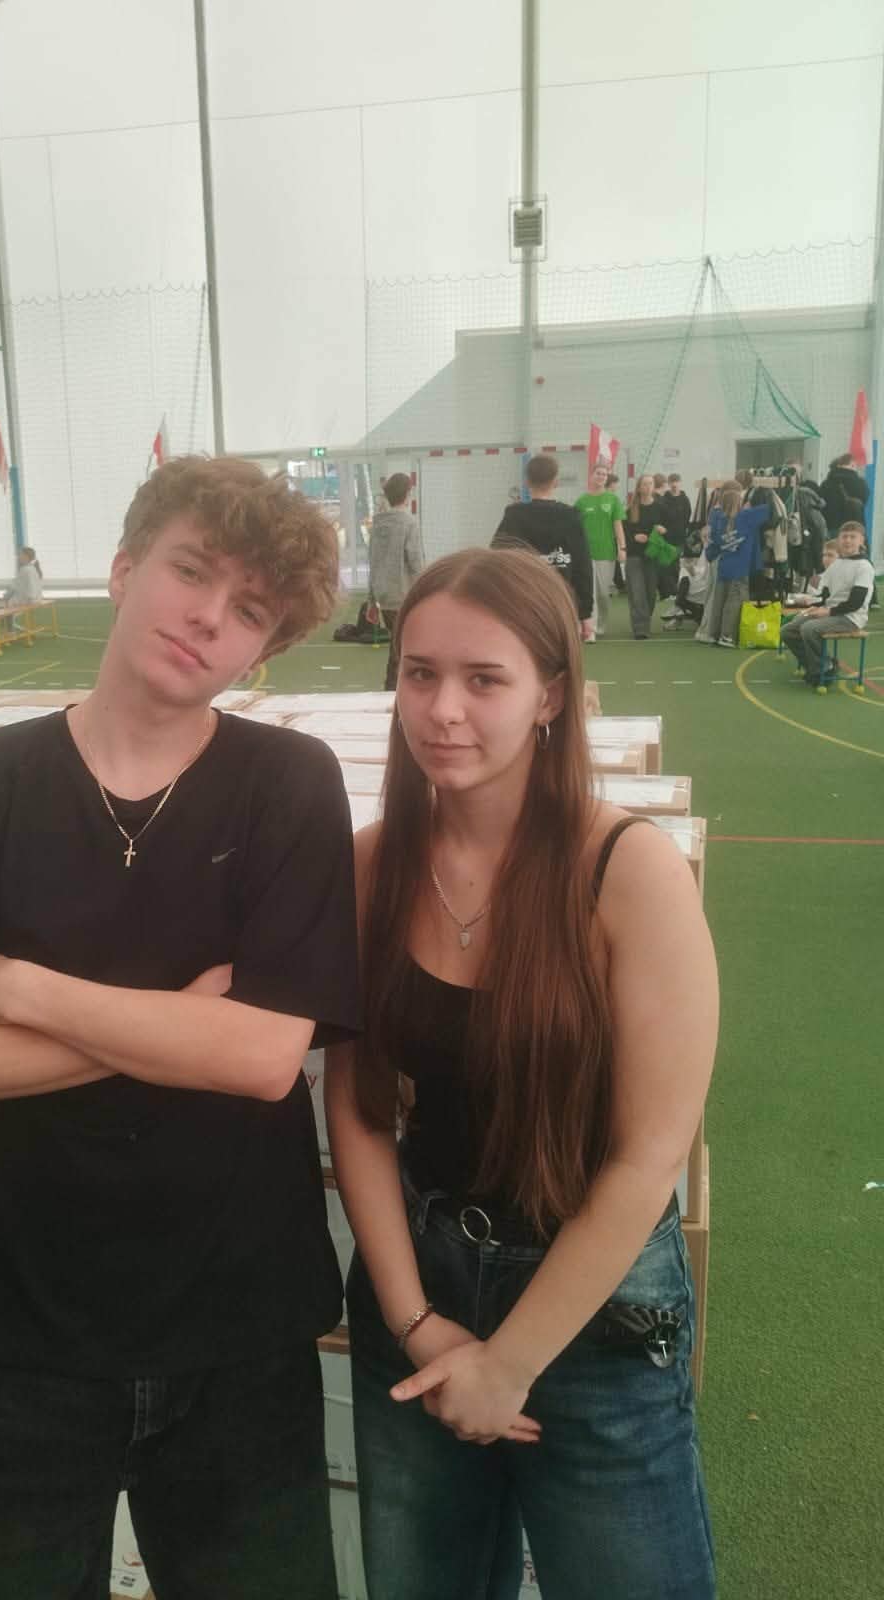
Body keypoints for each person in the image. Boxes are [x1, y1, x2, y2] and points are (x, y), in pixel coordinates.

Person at [0, 456, 360, 1600]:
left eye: (249, 610)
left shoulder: (289, 784)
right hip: (30, 1329)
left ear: (263, 650)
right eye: (192, 572)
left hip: (242, 1330)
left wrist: (30, 991)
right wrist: (183, 1025)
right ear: (123, 568)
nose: (208, 616)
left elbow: (261, 1059)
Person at [325, 546, 717, 1600]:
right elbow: (357, 1110)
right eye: (419, 674)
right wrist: (414, 1319)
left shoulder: (628, 871)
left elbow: (650, 1154)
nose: (442, 709)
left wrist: (508, 1365)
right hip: (420, 1282)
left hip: (594, 1303)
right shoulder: (371, 865)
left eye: (484, 679)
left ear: (550, 695)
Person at [494, 454, 594, 640]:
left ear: (526, 482)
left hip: (524, 601)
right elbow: (583, 567)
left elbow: (496, 562)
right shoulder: (571, 516)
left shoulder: (514, 515)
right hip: (561, 602)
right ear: (556, 482)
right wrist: (585, 613)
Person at [780, 522, 875, 686]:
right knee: (788, 630)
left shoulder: (864, 567)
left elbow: (856, 602)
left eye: (853, 537)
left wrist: (827, 611)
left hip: (850, 617)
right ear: (839, 539)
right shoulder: (837, 564)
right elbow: (825, 596)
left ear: (861, 541)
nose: (848, 540)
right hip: (831, 612)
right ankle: (823, 665)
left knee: (809, 628)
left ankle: (820, 669)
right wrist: (813, 605)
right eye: (844, 537)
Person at [369, 471, 425, 690]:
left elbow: (373, 561)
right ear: (407, 493)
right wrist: (426, 590)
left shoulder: (377, 523)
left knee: (398, 645)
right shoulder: (409, 522)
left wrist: (371, 601)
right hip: (403, 594)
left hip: (383, 595)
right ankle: (393, 689)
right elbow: (415, 561)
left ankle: (393, 688)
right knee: (401, 648)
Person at [705, 481, 771, 647]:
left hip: (724, 566)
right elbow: (768, 509)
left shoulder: (718, 519)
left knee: (719, 600)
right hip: (740, 567)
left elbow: (712, 546)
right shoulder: (745, 517)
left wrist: (710, 555)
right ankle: (727, 635)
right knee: (735, 601)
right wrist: (765, 491)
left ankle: (714, 634)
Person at [574, 460, 627, 638]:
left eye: (604, 474)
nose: (601, 477)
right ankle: (592, 629)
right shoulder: (581, 501)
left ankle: (602, 623)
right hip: (585, 553)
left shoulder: (613, 500)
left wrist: (622, 547)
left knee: (603, 593)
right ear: (592, 475)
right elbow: (574, 527)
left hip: (606, 552)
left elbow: (618, 525)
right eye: (598, 473)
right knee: (590, 592)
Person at [623, 473, 668, 638]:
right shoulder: (630, 510)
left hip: (652, 556)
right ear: (639, 488)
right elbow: (623, 533)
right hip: (634, 556)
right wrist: (634, 537)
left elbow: (670, 529)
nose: (648, 487)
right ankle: (640, 628)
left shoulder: (661, 508)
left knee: (650, 593)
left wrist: (663, 530)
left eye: (650, 484)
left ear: (654, 487)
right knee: (637, 593)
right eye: (645, 484)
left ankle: (645, 619)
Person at [659, 473, 692, 600]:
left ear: (680, 483)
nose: (674, 484)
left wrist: (683, 531)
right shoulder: (664, 500)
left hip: (679, 537)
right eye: (672, 482)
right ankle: (667, 592)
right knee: (665, 564)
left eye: (676, 481)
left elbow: (687, 517)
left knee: (675, 565)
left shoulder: (685, 499)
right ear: (668, 484)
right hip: (665, 537)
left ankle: (673, 591)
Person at [819, 454, 870, 534]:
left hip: (831, 527)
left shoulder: (826, 484)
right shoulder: (860, 483)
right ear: (852, 465)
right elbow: (864, 500)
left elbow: (820, 504)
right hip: (853, 528)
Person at [0, 545, 44, 633]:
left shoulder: (24, 570)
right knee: (5, 605)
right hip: (36, 599)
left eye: (20, 555)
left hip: (27, 601)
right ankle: (10, 629)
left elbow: (13, 588)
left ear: (26, 557)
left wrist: (4, 597)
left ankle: (9, 632)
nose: (18, 557)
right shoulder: (33, 568)